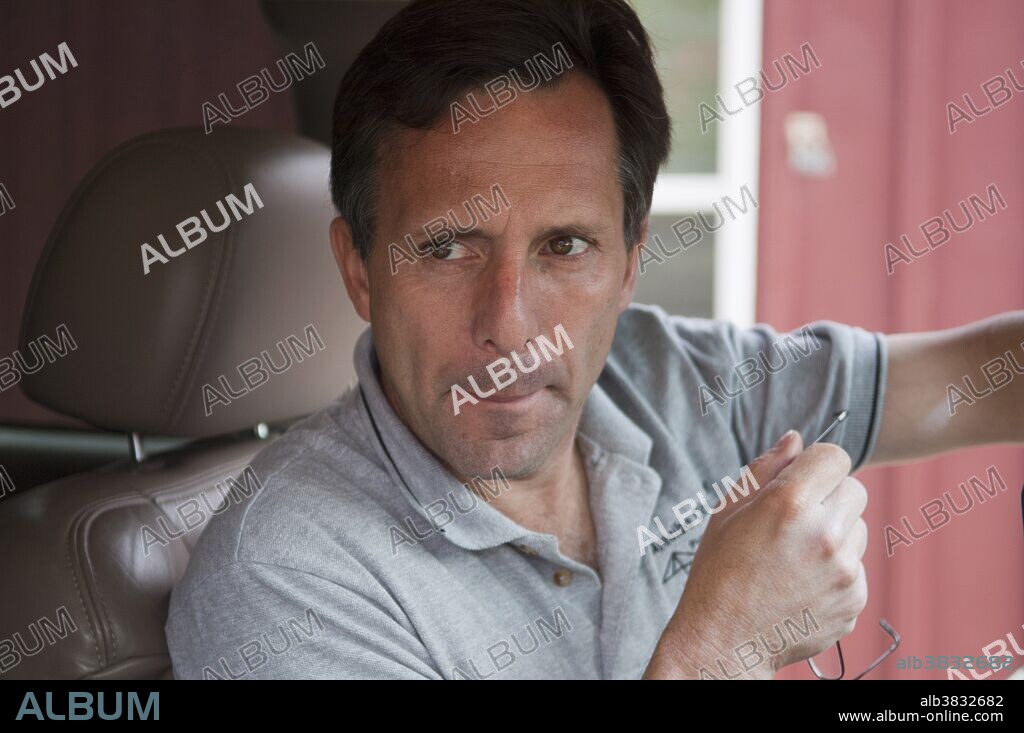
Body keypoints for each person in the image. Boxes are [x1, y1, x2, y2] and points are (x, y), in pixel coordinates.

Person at [165, 0, 1024, 679]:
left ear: (630, 261)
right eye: (447, 247)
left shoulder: (667, 379)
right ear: (359, 269)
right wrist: (723, 649)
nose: (508, 323)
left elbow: (980, 379)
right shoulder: (283, 578)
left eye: (565, 247)